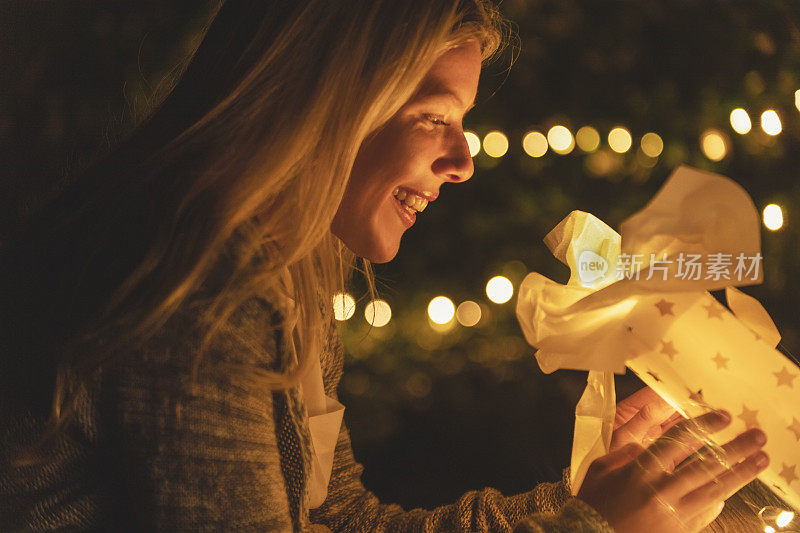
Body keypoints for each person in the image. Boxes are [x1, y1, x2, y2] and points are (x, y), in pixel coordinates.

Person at [0, 1, 770, 531]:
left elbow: (340, 522)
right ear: (325, 101)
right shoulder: (197, 280)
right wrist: (592, 526)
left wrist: (585, 498)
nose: (463, 161)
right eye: (433, 116)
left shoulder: (288, 266)